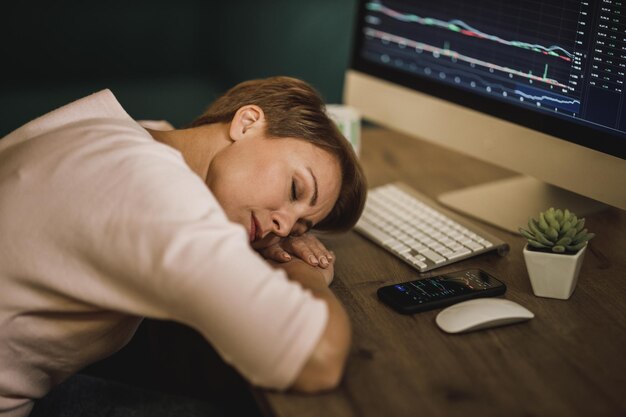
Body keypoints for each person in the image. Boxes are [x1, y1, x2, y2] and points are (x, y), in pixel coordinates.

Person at [0, 76, 367, 416]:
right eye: (294, 189)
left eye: (299, 228)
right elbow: (318, 359)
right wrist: (307, 272)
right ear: (248, 123)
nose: (284, 226)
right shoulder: (150, 188)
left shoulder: (127, 133)